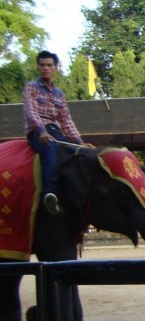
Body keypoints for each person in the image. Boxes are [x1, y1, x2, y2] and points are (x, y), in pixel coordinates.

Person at [23, 50, 93, 215]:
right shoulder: (31, 87)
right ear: (38, 67)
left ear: (55, 68)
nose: (45, 68)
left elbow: (66, 120)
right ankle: (49, 194)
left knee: (78, 153)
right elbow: (31, 112)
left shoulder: (59, 94)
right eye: (42, 65)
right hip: (38, 132)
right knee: (50, 149)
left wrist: (79, 142)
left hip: (56, 132)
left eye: (49, 65)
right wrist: (41, 131)